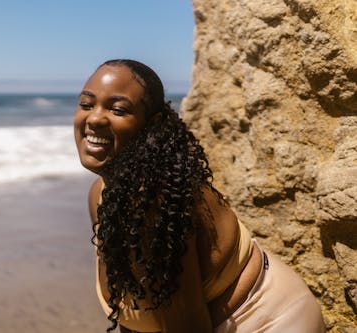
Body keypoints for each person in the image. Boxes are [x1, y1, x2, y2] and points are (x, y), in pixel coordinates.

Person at [73, 59, 325, 333]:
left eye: (118, 109)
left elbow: (188, 324)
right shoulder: (100, 194)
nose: (95, 118)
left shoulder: (152, 205)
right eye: (86, 104)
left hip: (270, 322)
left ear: (151, 124)